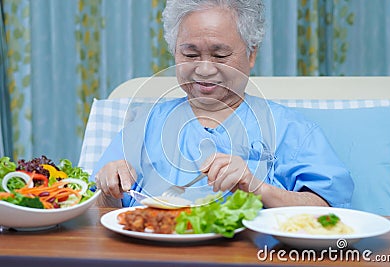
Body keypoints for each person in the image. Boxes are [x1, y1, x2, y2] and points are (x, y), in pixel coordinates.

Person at [91, 0, 354, 208]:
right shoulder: (144, 126)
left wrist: (258, 188)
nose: (205, 69)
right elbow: (99, 213)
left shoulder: (289, 129)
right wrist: (109, 188)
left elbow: (327, 210)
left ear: (252, 54)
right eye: (190, 54)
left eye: (220, 55)